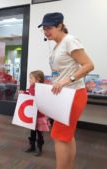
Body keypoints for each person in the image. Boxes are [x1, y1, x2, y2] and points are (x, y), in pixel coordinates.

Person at [38, 12, 94, 169]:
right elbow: (61, 71)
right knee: (66, 136)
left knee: (59, 135)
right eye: (44, 28)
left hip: (73, 94)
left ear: (60, 26)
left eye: (49, 27)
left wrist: (67, 80)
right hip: (64, 95)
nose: (46, 31)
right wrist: (55, 82)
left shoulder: (70, 40)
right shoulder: (57, 45)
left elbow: (89, 65)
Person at [19, 70, 50, 156]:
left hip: (40, 115)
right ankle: (32, 146)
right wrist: (24, 93)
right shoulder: (32, 87)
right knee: (32, 131)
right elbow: (30, 94)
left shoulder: (42, 88)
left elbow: (44, 100)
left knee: (39, 133)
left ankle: (39, 148)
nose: (29, 80)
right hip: (32, 114)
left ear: (38, 79)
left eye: (31, 78)